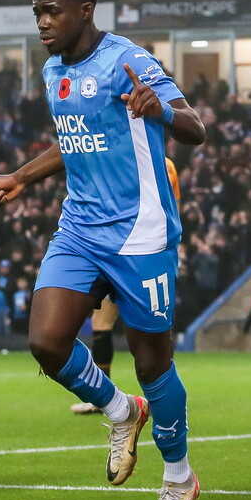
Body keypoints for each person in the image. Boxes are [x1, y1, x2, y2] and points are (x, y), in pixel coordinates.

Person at [0, 0, 206, 500]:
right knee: (47, 342)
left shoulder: (129, 60)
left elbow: (195, 126)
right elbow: (75, 141)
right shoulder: (55, 71)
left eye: (51, 12)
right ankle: (122, 410)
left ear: (85, 10)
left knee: (153, 362)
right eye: (36, 14)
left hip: (139, 231)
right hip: (79, 227)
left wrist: (161, 109)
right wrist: (22, 177)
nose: (43, 23)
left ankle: (179, 478)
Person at [71, 157, 182, 415]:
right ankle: (109, 399)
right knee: (113, 323)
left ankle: (156, 396)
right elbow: (175, 209)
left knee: (152, 326)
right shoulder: (166, 164)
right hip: (134, 254)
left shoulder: (122, 160)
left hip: (132, 252)